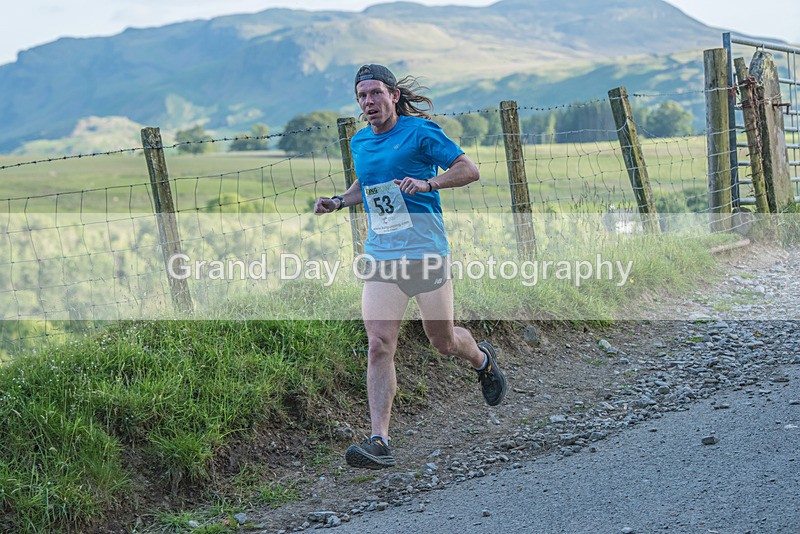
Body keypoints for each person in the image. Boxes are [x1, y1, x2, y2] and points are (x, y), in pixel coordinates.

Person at [314, 64, 507, 470]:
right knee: (379, 343)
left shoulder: (421, 134)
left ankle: (482, 359)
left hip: (426, 253)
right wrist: (338, 201)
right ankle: (379, 440)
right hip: (383, 257)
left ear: (394, 96)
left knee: (443, 342)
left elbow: (468, 170)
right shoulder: (360, 142)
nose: (369, 102)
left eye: (376, 94)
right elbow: (366, 184)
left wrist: (428, 184)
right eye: (362, 96)